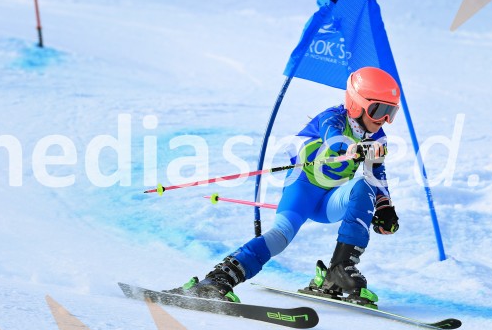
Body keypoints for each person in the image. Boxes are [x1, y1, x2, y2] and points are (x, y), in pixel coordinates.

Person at [168, 67, 402, 307]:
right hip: (303, 189)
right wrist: (351, 149)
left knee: (363, 185)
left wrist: (384, 206)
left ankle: (339, 270)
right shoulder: (332, 118)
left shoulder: (378, 137)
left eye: (391, 113)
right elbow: (332, 137)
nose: (384, 120)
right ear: (357, 104)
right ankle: (218, 280)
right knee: (280, 236)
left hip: (331, 200)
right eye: (379, 110)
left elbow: (376, 173)